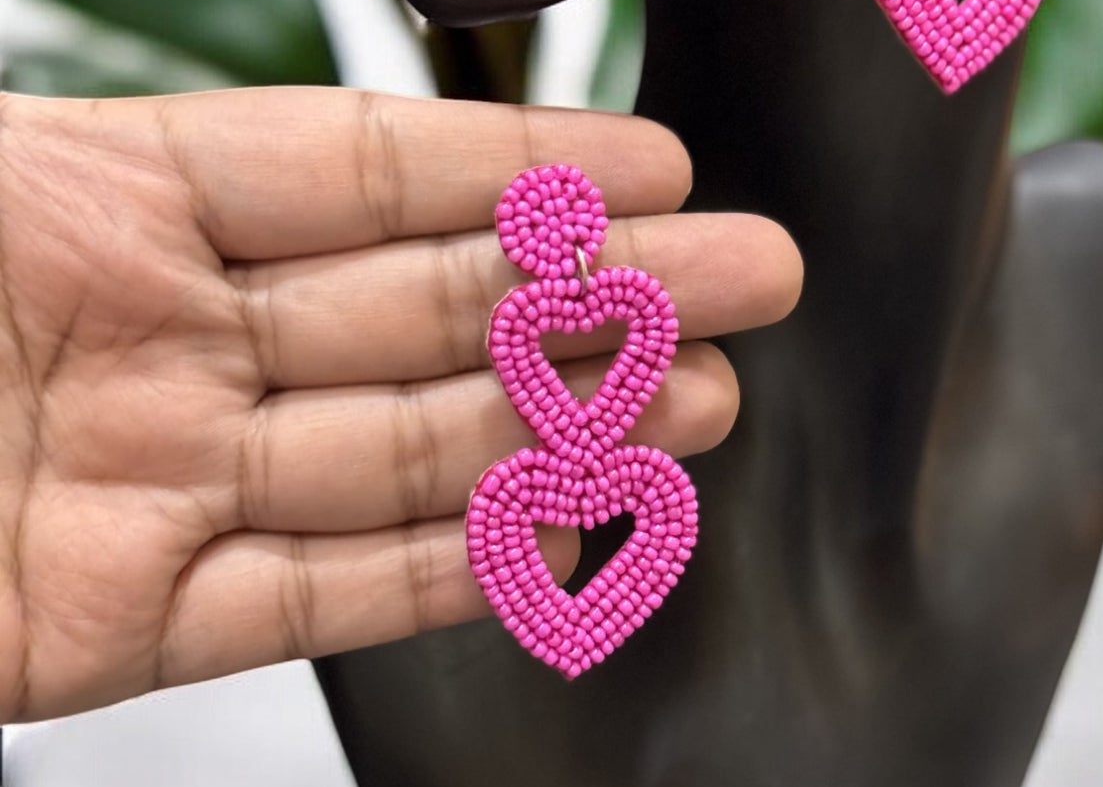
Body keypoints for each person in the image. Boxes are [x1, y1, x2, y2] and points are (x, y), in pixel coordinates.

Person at [0, 86, 802, 721]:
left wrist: (586, 439)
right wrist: (585, 437)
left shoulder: (606, 312)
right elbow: (542, 372)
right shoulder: (523, 319)